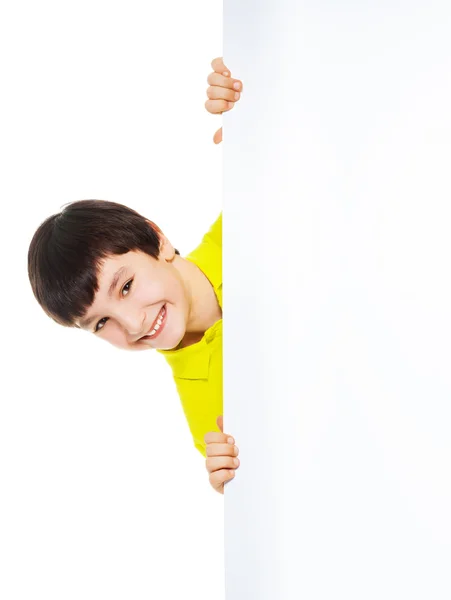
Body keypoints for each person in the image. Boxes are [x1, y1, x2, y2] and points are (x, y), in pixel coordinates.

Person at [27, 57, 241, 495]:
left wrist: (252, 109)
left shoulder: (247, 219)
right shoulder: (206, 416)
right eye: (101, 323)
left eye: (124, 286)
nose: (133, 325)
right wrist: (238, 487)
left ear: (157, 239)